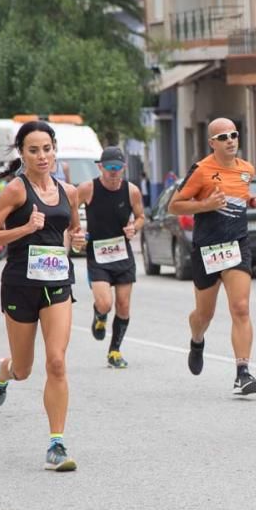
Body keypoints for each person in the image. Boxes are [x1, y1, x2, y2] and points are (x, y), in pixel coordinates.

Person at [0, 120, 85, 472]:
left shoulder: (68, 191)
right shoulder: (15, 191)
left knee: (56, 361)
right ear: (22, 154)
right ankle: (2, 372)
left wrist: (79, 241)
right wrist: (25, 228)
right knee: (23, 369)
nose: (42, 156)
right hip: (20, 287)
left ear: (55, 150)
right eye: (34, 150)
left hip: (56, 284)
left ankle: (56, 443)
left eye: (47, 149)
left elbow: (72, 230)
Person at [168, 118, 256, 394]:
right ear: (212, 143)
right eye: (223, 137)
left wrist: (252, 201)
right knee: (204, 313)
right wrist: (205, 205)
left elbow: (239, 197)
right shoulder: (200, 170)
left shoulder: (247, 170)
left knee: (241, 307)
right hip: (208, 249)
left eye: (234, 135)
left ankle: (243, 372)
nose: (230, 141)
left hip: (237, 246)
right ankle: (197, 339)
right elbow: (173, 206)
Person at [78, 147, 145, 369]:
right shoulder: (88, 189)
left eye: (118, 168)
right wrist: (76, 231)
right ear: (100, 167)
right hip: (97, 254)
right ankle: (100, 314)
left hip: (122, 253)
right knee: (106, 303)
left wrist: (134, 228)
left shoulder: (131, 191)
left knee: (124, 306)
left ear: (124, 168)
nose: (114, 172)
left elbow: (141, 217)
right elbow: (69, 209)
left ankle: (114, 351)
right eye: (109, 168)